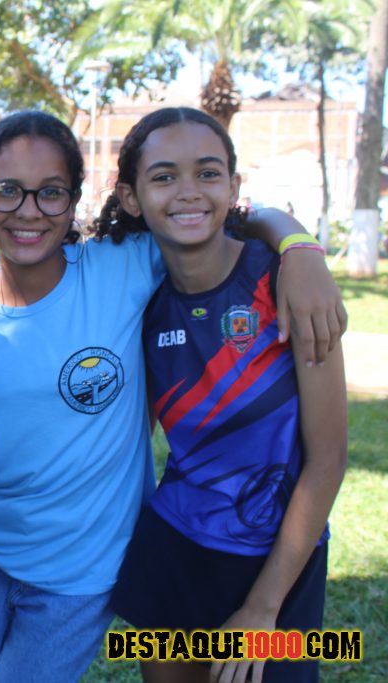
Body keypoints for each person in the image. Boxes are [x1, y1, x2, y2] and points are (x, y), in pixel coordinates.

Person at [0, 110, 346, 683]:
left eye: (50, 192)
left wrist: (301, 248)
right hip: (124, 549)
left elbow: (328, 458)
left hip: (152, 568)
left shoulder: (256, 281)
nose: (29, 210)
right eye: (8, 190)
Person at [98, 107, 347, 683]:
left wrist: (263, 606)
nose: (188, 191)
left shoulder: (287, 283)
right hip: (174, 549)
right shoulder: (138, 298)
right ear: (131, 197)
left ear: (233, 187)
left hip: (282, 564)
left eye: (207, 173)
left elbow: (329, 458)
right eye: (164, 176)